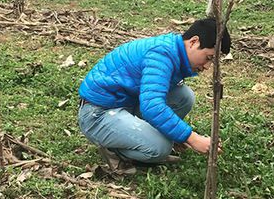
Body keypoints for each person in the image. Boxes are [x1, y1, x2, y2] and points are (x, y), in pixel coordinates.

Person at [78, 18, 230, 174]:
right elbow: (152, 106)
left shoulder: (174, 50)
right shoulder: (161, 55)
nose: (207, 66)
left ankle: (139, 138)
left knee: (184, 97)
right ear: (193, 42)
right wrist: (192, 138)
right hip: (97, 114)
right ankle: (115, 150)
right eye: (209, 58)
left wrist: (179, 135)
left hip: (126, 104)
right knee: (160, 147)